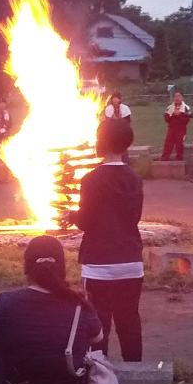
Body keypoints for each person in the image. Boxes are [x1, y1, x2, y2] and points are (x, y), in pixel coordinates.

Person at [0, 235, 103, 384]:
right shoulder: (79, 304)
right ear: (62, 268)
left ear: (27, 268)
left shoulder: (5, 301)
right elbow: (98, 336)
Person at [75, 120, 144, 361]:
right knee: (129, 321)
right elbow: (134, 216)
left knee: (98, 324)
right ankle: (137, 373)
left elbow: (86, 221)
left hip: (99, 264)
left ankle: (98, 375)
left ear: (100, 142)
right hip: (131, 260)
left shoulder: (91, 179)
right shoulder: (135, 178)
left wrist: (72, 216)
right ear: (127, 145)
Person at [160, 90, 191, 161]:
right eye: (175, 96)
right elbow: (166, 119)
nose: (177, 98)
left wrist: (179, 115)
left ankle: (179, 160)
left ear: (182, 98)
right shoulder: (170, 107)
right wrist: (173, 114)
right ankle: (164, 159)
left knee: (179, 145)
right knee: (168, 144)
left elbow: (186, 120)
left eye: (179, 96)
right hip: (171, 129)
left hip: (181, 130)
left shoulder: (186, 107)